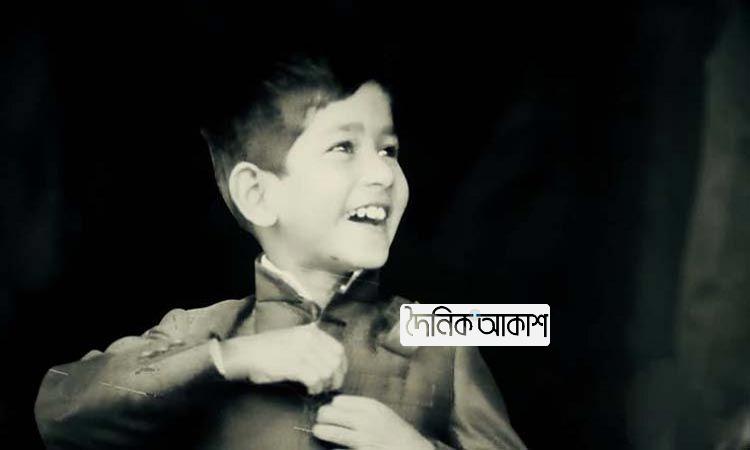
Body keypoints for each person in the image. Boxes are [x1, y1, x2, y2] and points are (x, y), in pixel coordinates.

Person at [34, 56, 527, 450]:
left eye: (388, 150)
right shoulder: (199, 331)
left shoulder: (444, 330)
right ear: (258, 194)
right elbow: (59, 409)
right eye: (344, 148)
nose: (383, 174)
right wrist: (230, 358)